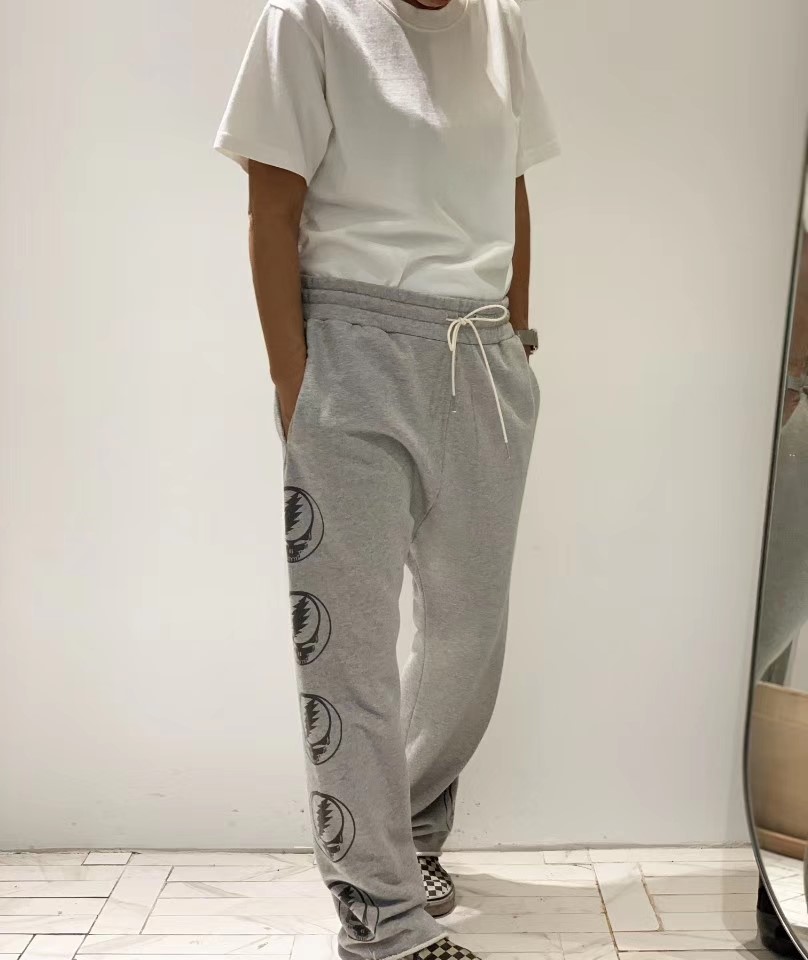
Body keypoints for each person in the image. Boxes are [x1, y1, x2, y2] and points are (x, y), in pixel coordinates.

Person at [214, 0, 559, 957]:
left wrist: (519, 340)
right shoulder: (308, 18)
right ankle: (381, 918)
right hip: (353, 350)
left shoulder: (501, 22)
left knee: (469, 639)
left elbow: (511, 185)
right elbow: (272, 206)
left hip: (480, 354)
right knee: (350, 650)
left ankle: (405, 831)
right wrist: (297, 382)